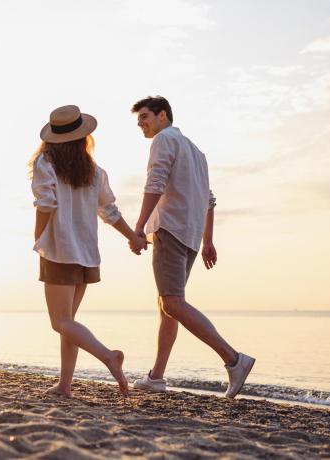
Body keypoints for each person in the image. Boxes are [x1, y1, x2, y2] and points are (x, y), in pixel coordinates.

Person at [128, 96, 255, 398]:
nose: (141, 124)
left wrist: (139, 226)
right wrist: (207, 239)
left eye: (145, 117)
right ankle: (156, 377)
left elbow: (155, 183)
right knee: (167, 307)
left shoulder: (163, 140)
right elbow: (208, 198)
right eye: (138, 121)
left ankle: (233, 359)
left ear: (163, 115)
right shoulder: (198, 153)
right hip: (190, 236)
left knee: (172, 303)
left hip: (171, 230)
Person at [30, 104, 146, 397]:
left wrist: (38, 235)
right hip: (86, 254)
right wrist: (132, 236)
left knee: (61, 322)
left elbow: (45, 204)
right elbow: (109, 211)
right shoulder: (94, 171)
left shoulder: (46, 163)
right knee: (69, 322)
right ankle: (65, 385)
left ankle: (109, 356)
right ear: (83, 138)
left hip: (59, 249)